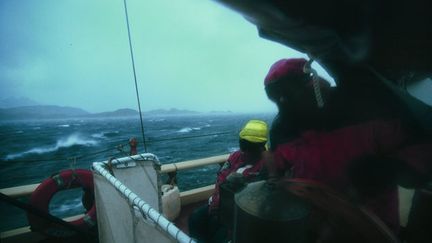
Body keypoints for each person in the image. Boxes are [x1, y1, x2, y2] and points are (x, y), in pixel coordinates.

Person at [262, 58, 432, 236]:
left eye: (288, 93)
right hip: (312, 226)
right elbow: (277, 162)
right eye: (276, 97)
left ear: (310, 83)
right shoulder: (284, 128)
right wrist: (269, 175)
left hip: (370, 227)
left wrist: (388, 168)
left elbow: (420, 150)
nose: (283, 101)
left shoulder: (364, 110)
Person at [188, 119, 268, 243]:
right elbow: (221, 178)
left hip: (239, 216)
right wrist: (216, 201)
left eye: (250, 147)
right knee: (195, 218)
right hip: (218, 206)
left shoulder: (266, 167)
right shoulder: (235, 157)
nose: (244, 151)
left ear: (261, 147)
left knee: (219, 238)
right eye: (243, 144)